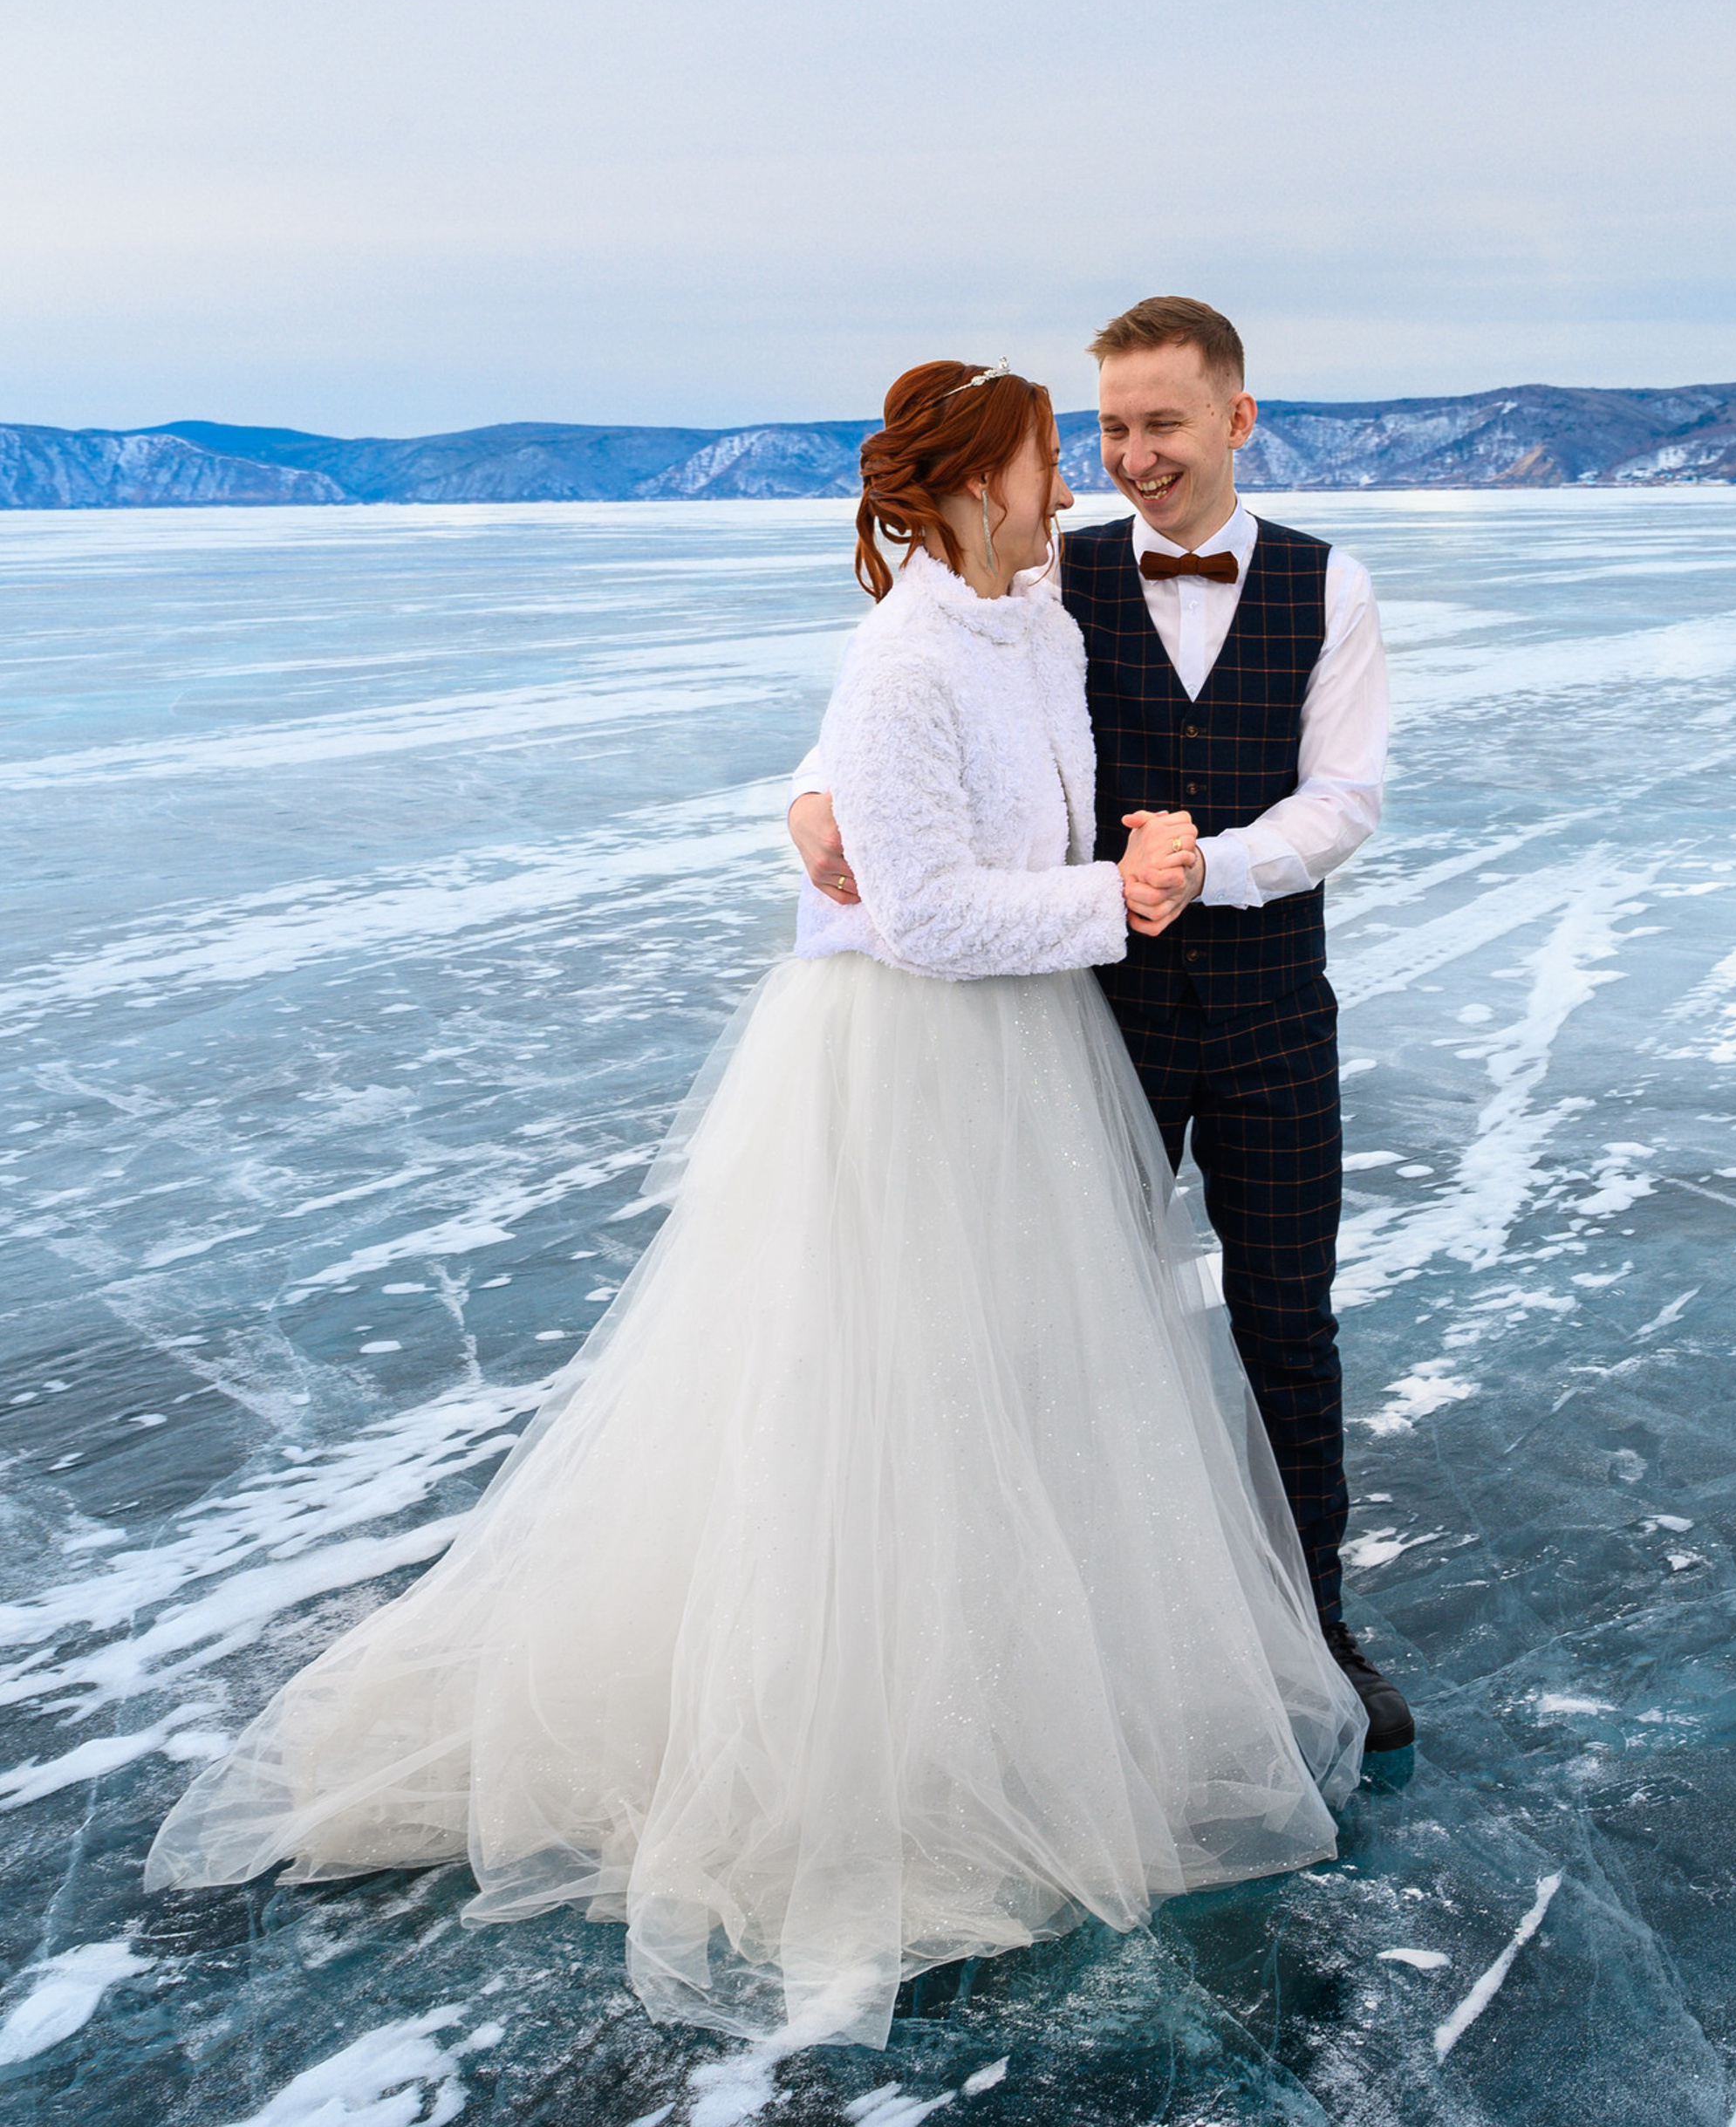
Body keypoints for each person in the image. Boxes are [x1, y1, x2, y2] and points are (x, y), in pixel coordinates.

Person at [143, 358, 1365, 2053]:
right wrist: (1104, 880)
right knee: (882, 1396)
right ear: (963, 486)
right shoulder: (912, 648)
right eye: (1043, 460)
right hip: (918, 1060)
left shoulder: (1035, 611)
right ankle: (858, 1746)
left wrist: (840, 802)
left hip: (1029, 1055)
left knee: (1025, 1390)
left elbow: (913, 767)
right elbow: (925, 905)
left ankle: (1020, 1699)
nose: (1076, 486)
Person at [789, 298, 1412, 1750]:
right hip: (1087, 1026)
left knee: (1286, 1333)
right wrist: (807, 796)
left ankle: (1313, 1621)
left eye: (1162, 426)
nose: (1131, 459)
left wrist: (1218, 867)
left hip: (1268, 1019)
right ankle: (1087, 1640)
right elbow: (901, 694)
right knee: (1066, 1340)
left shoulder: (1332, 590)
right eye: (1111, 430)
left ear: (1237, 422)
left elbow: (1345, 802)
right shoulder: (1046, 572)